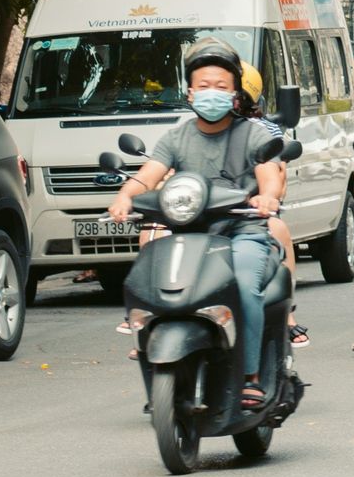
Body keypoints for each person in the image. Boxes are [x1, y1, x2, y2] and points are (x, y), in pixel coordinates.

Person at [108, 37, 287, 411]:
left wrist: (267, 196)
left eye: (221, 87)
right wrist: (125, 197)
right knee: (147, 280)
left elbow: (268, 172)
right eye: (203, 86)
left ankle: (250, 376)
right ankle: (159, 372)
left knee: (244, 284)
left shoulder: (252, 134)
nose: (212, 94)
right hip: (190, 234)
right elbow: (149, 175)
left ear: (235, 93)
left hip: (243, 231)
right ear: (190, 92)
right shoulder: (177, 137)